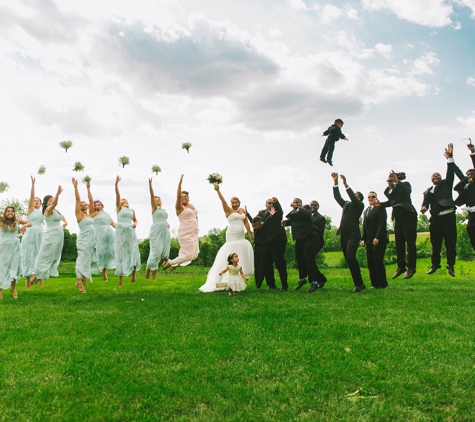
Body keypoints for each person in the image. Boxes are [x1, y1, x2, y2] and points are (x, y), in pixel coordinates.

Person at [199, 184, 254, 292]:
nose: (234, 204)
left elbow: (246, 222)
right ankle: (221, 282)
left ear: (239, 203)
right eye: (232, 202)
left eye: (236, 202)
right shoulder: (228, 211)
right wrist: (218, 190)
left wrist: (250, 234)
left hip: (241, 236)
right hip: (232, 236)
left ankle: (236, 283)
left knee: (238, 259)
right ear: (231, 204)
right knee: (229, 258)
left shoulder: (242, 211)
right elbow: (222, 200)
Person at [421, 144, 459, 277]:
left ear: (441, 178)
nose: (436, 175)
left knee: (450, 244)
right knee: (435, 244)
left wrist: (450, 158)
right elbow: (425, 204)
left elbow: (450, 174)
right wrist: (424, 208)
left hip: (448, 217)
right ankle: (435, 264)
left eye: (438, 175)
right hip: (436, 220)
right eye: (434, 175)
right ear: (431, 179)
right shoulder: (427, 191)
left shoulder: (446, 185)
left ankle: (451, 265)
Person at [378, 171, 418, 280]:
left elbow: (407, 192)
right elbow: (391, 202)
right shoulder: (392, 191)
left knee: (410, 243)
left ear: (396, 179)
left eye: (390, 180)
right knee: (399, 244)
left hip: (408, 216)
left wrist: (397, 182)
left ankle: (411, 267)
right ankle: (401, 267)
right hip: (398, 218)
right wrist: (380, 204)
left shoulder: (405, 185)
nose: (388, 183)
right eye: (388, 181)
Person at [332, 173, 365, 292]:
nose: (354, 196)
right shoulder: (346, 204)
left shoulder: (359, 205)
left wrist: (346, 184)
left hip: (353, 235)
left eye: (356, 195)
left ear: (359, 198)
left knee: (351, 258)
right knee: (349, 260)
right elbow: (337, 197)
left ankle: (359, 284)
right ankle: (359, 283)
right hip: (344, 235)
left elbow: (352, 196)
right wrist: (335, 182)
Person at [28, 186, 66, 288]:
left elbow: (62, 217)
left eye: (52, 200)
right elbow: (55, 204)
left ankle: (39, 274)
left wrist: (65, 223)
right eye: (50, 201)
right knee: (46, 254)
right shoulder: (48, 210)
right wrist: (57, 194)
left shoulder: (56, 211)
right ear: (46, 203)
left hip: (59, 233)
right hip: (51, 234)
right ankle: (35, 273)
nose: (52, 202)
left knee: (55, 255)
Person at [282, 198, 321, 293]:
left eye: (297, 202)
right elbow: (294, 221)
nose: (295, 204)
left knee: (309, 259)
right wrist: (285, 222)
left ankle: (315, 282)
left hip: (309, 237)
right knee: (299, 259)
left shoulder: (306, 208)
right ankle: (302, 279)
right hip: (299, 239)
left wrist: (298, 208)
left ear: (301, 204)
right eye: (294, 202)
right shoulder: (294, 213)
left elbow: (308, 215)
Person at [163, 175, 199, 271]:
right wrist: (179, 184)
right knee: (189, 255)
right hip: (185, 232)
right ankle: (170, 262)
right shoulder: (180, 208)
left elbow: (196, 217)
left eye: (185, 196)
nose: (183, 198)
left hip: (193, 232)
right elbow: (178, 197)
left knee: (194, 255)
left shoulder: (192, 206)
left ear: (188, 198)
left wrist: (196, 229)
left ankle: (176, 263)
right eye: (182, 197)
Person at [114, 176, 141, 287]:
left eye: (125, 199)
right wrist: (116, 185)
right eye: (122, 199)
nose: (123, 199)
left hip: (130, 231)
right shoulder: (119, 209)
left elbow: (135, 220)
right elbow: (117, 195)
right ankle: (120, 278)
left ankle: (134, 274)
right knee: (121, 252)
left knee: (133, 251)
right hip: (121, 231)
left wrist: (135, 223)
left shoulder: (132, 210)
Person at [72, 178, 98, 293]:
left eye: (84, 205)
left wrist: (88, 189)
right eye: (81, 205)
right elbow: (77, 199)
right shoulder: (79, 215)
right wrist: (76, 187)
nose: (83, 206)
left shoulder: (90, 215)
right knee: (81, 259)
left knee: (87, 260)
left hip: (91, 241)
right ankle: (78, 282)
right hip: (83, 240)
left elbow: (91, 202)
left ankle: (83, 277)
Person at [87, 181, 116, 281]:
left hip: (109, 235)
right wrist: (88, 189)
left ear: (102, 206)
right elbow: (90, 201)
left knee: (110, 252)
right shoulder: (92, 213)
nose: (97, 206)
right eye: (96, 205)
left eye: (99, 205)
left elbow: (114, 224)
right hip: (98, 234)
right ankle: (88, 272)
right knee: (100, 252)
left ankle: (104, 270)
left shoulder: (107, 214)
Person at [361, 191, 388, 289]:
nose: (371, 198)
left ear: (376, 198)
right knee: (370, 262)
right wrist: (363, 238)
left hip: (379, 240)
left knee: (378, 261)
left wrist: (377, 237)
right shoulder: (366, 210)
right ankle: (375, 284)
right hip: (368, 240)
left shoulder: (380, 208)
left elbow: (382, 224)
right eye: (369, 197)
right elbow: (365, 227)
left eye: (373, 197)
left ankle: (383, 284)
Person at [0, 206, 28, 300]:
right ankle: (0, 290)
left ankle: (13, 288)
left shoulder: (17, 221)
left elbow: (30, 223)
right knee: (2, 267)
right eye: (8, 211)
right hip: (3, 246)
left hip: (14, 247)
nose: (10, 212)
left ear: (14, 213)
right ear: (5, 212)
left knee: (14, 267)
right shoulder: (1, 220)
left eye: (12, 211)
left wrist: (24, 226)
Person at [145, 178, 171, 281]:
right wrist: (150, 185)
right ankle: (151, 272)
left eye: (159, 199)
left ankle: (151, 267)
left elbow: (163, 218)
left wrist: (166, 223)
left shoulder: (163, 210)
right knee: (156, 252)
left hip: (164, 230)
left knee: (165, 254)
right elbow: (152, 196)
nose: (157, 200)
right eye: (156, 200)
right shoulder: (154, 208)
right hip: (156, 230)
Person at [21, 177, 44, 281]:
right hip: (30, 233)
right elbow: (31, 196)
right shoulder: (30, 210)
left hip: (39, 233)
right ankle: (27, 277)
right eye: (35, 201)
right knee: (29, 254)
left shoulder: (42, 212)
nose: (36, 202)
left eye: (38, 201)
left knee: (39, 253)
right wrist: (33, 184)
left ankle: (37, 275)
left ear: (41, 203)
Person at [454, 143, 475, 253]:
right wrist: (451, 160)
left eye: (471, 173)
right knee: (471, 232)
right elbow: (458, 173)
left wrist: (472, 153)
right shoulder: (466, 184)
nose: (469, 175)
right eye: (468, 174)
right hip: (471, 214)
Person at [250, 215, 275, 289]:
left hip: (264, 247)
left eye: (257, 226)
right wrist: (247, 214)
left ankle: (261, 281)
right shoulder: (255, 228)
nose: (255, 228)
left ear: (260, 224)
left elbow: (267, 221)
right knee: (257, 264)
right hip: (257, 247)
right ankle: (257, 281)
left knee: (262, 265)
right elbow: (251, 220)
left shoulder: (264, 227)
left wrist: (270, 216)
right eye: (254, 226)